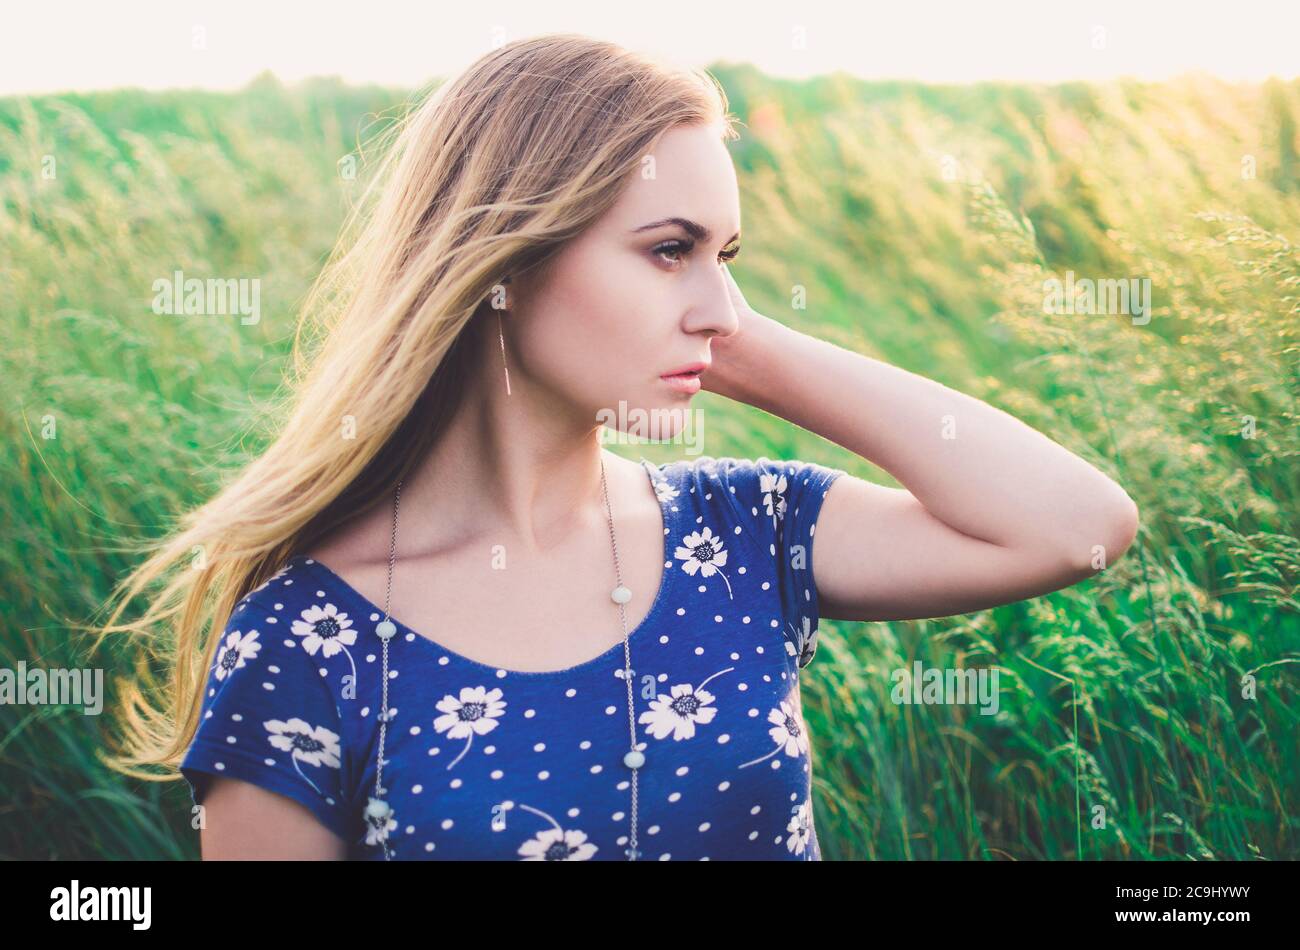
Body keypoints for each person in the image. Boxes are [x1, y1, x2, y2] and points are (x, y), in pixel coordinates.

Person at [99, 33, 1138, 861]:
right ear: (506, 252)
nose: (716, 300)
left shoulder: (741, 533)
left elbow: (1076, 525)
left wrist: (728, 334)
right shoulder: (306, 637)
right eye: (668, 249)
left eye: (725, 255)